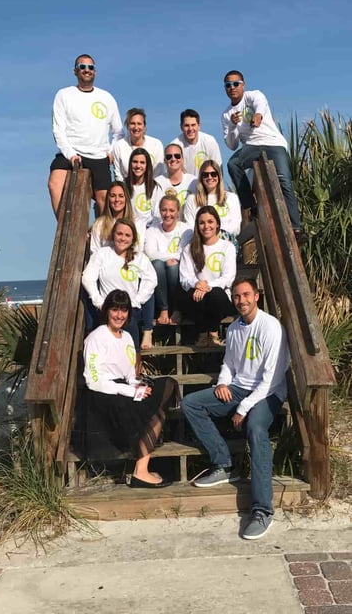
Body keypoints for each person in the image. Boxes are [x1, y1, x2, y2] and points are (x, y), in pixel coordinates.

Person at [181, 277, 290, 540]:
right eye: (237, 296)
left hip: (269, 393)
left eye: (246, 295)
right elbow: (229, 364)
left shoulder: (270, 327)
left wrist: (243, 407)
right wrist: (222, 383)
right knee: (190, 404)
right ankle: (224, 464)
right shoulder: (233, 329)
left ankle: (263, 510)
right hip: (240, 387)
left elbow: (271, 378)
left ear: (256, 296)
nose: (241, 300)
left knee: (255, 428)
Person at [82, 289, 180, 488]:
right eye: (115, 310)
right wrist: (130, 391)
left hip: (124, 388)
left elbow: (129, 374)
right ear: (107, 311)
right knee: (157, 415)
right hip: (104, 396)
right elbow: (93, 381)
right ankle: (140, 472)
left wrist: (138, 385)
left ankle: (141, 467)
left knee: (168, 384)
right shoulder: (96, 337)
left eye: (124, 310)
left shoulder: (126, 337)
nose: (119, 315)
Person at [221, 70, 307, 245]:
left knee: (285, 182)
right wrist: (232, 126)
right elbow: (231, 145)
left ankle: (296, 228)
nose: (232, 88)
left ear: (243, 84)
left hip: (273, 142)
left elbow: (260, 105)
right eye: (228, 85)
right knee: (233, 164)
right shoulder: (226, 114)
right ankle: (250, 206)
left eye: (235, 84)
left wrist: (258, 116)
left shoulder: (253, 95)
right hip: (252, 146)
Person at [48, 53, 123, 217]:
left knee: (105, 199)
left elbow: (118, 132)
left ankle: (101, 236)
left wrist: (111, 151)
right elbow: (58, 129)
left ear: (95, 72)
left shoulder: (106, 97)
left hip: (99, 156)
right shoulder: (64, 94)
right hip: (71, 153)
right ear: (75, 71)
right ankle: (65, 228)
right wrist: (70, 154)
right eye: (82, 67)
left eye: (90, 67)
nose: (86, 70)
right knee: (54, 184)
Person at [81, 218, 156, 351]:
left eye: (127, 235)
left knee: (130, 328)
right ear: (113, 235)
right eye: (119, 234)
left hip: (130, 309)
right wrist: (99, 301)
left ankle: (134, 366)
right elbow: (87, 278)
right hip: (107, 310)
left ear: (133, 239)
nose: (122, 238)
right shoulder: (102, 254)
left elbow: (151, 280)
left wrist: (137, 301)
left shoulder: (139, 258)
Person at [179, 206, 236, 347]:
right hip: (197, 298)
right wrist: (196, 284)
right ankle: (203, 334)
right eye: (202, 222)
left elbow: (228, 277)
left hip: (220, 297)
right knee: (195, 296)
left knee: (215, 295)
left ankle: (213, 332)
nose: (206, 226)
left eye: (210, 222)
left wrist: (206, 286)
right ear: (197, 226)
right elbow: (185, 278)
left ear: (217, 224)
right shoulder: (190, 248)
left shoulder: (227, 247)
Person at [144, 192, 192, 325]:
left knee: (173, 267)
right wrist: (171, 257)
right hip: (160, 270)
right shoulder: (152, 230)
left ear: (178, 212)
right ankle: (164, 309)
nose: (167, 214)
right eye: (164, 210)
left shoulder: (186, 230)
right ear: (160, 211)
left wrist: (170, 258)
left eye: (172, 210)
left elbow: (184, 253)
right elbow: (151, 253)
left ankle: (177, 309)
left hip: (178, 271)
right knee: (158, 265)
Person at [183, 160, 242, 247]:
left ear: (219, 176)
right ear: (201, 178)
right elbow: (190, 226)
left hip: (225, 242)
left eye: (213, 174)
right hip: (201, 242)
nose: (210, 177)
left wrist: (214, 233)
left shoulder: (231, 198)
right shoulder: (192, 199)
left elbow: (236, 226)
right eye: (205, 175)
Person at [112, 108, 164, 180]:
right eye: (132, 123)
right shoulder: (119, 146)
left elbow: (159, 174)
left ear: (144, 126)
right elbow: (118, 176)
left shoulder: (156, 144)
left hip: (151, 189)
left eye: (139, 124)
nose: (136, 127)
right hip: (127, 189)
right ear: (127, 126)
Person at [172, 109, 222, 177]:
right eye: (186, 125)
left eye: (193, 125)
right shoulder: (175, 146)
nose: (190, 129)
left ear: (199, 126)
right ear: (181, 127)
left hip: (206, 183)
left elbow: (218, 169)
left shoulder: (210, 141)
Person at [153, 144, 197, 219]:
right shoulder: (157, 183)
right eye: (169, 157)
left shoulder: (194, 181)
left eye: (177, 156)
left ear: (182, 159)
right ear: (165, 161)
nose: (173, 159)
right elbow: (155, 212)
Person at [124, 148, 158, 248]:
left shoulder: (154, 187)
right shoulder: (124, 185)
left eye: (142, 162)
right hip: (127, 232)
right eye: (135, 162)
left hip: (147, 233)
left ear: (147, 165)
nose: (138, 166)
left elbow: (156, 215)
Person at [89, 181, 133, 254]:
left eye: (121, 196)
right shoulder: (99, 224)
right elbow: (94, 252)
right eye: (113, 196)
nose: (117, 199)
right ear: (108, 199)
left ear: (126, 199)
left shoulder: (136, 222)